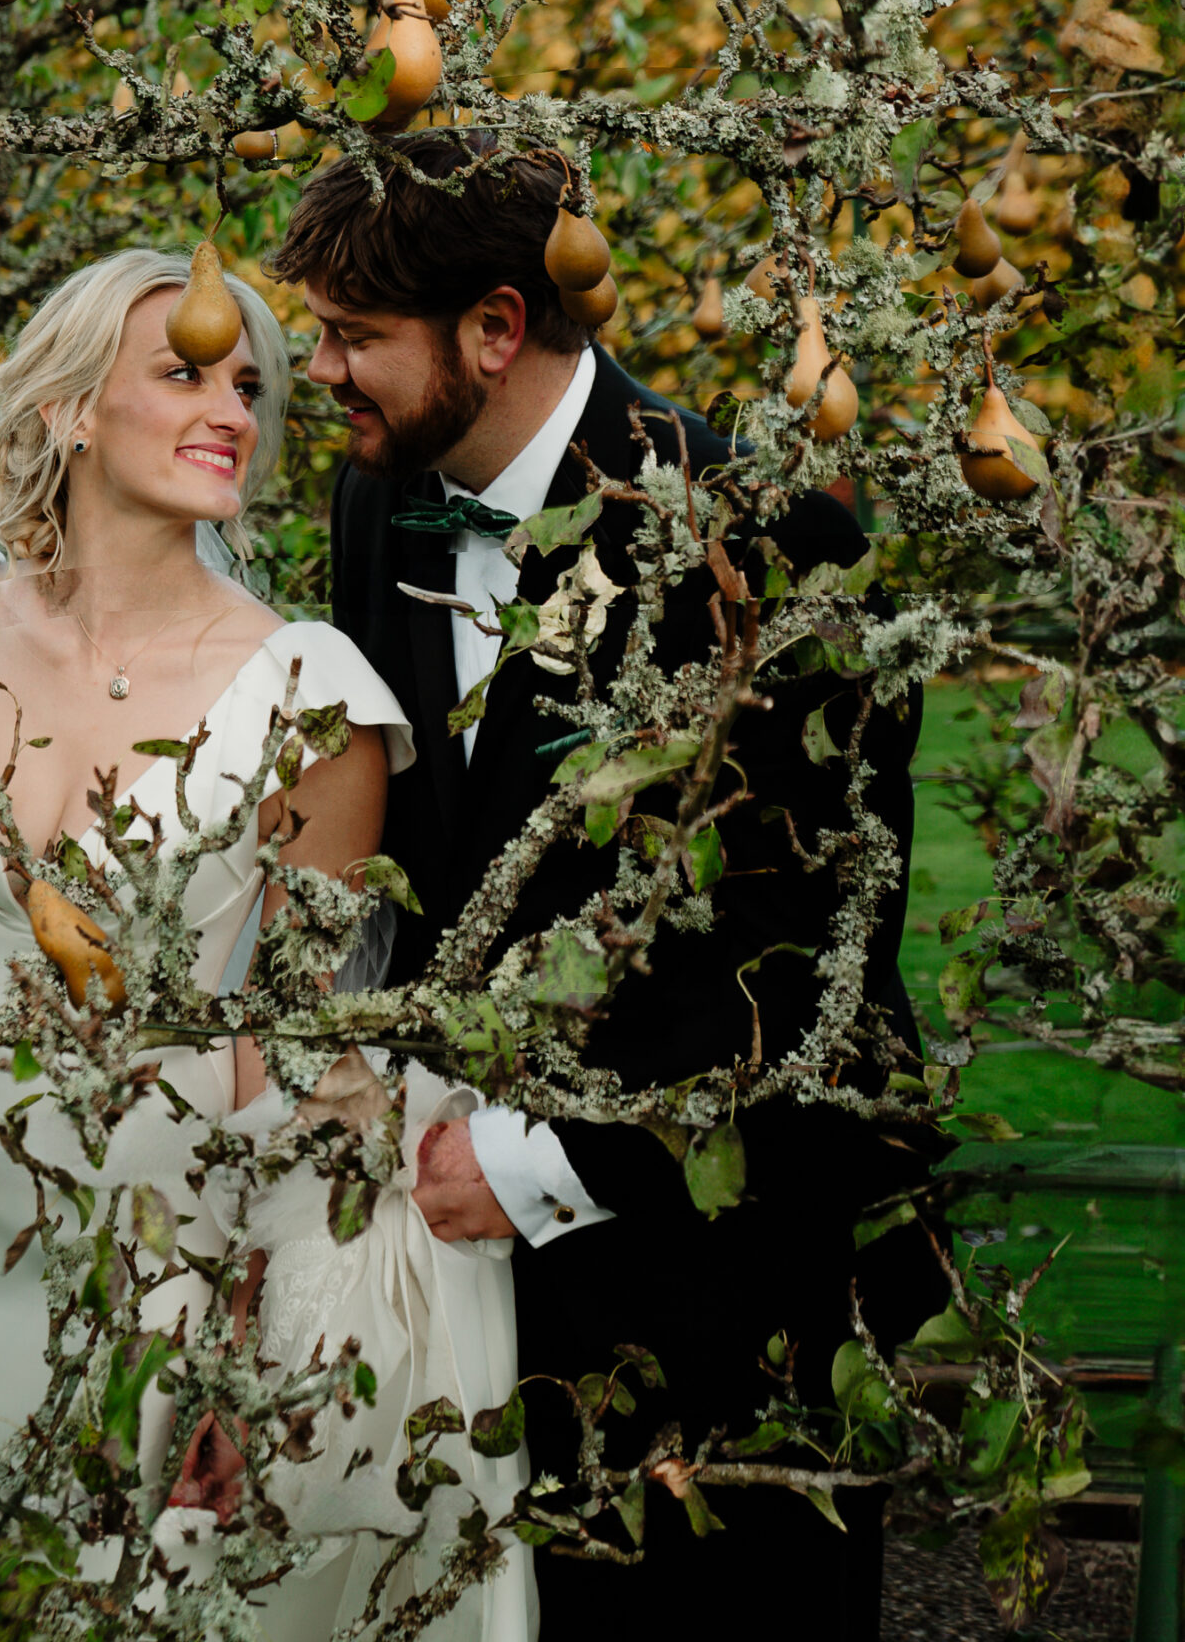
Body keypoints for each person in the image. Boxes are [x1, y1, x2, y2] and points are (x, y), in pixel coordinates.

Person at [0, 247, 535, 1642]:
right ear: (74, 410)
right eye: (185, 374)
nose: (234, 410)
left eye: (250, 386)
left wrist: (256, 1355)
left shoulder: (310, 690)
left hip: (162, 1238)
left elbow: (299, 1052)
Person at [269, 137, 945, 1640]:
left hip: (718, 1285)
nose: (317, 371)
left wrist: (541, 1157)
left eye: (353, 338)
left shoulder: (764, 539)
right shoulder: (380, 505)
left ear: (495, 329)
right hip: (470, 1296)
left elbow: (804, 947)